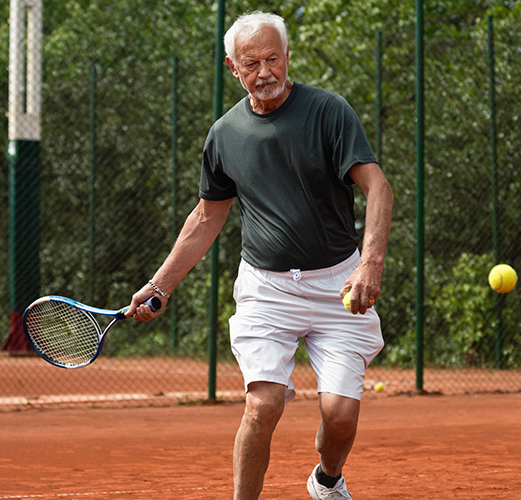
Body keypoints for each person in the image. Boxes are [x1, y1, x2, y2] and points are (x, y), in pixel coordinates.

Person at [126, 11, 393, 500]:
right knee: (262, 406)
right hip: (266, 289)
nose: (265, 72)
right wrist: (160, 284)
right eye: (252, 63)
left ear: (288, 56)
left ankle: (327, 479)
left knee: (340, 415)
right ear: (233, 67)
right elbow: (206, 218)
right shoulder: (224, 135)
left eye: (273, 59)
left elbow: (378, 186)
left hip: (339, 285)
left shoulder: (328, 111)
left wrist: (369, 261)